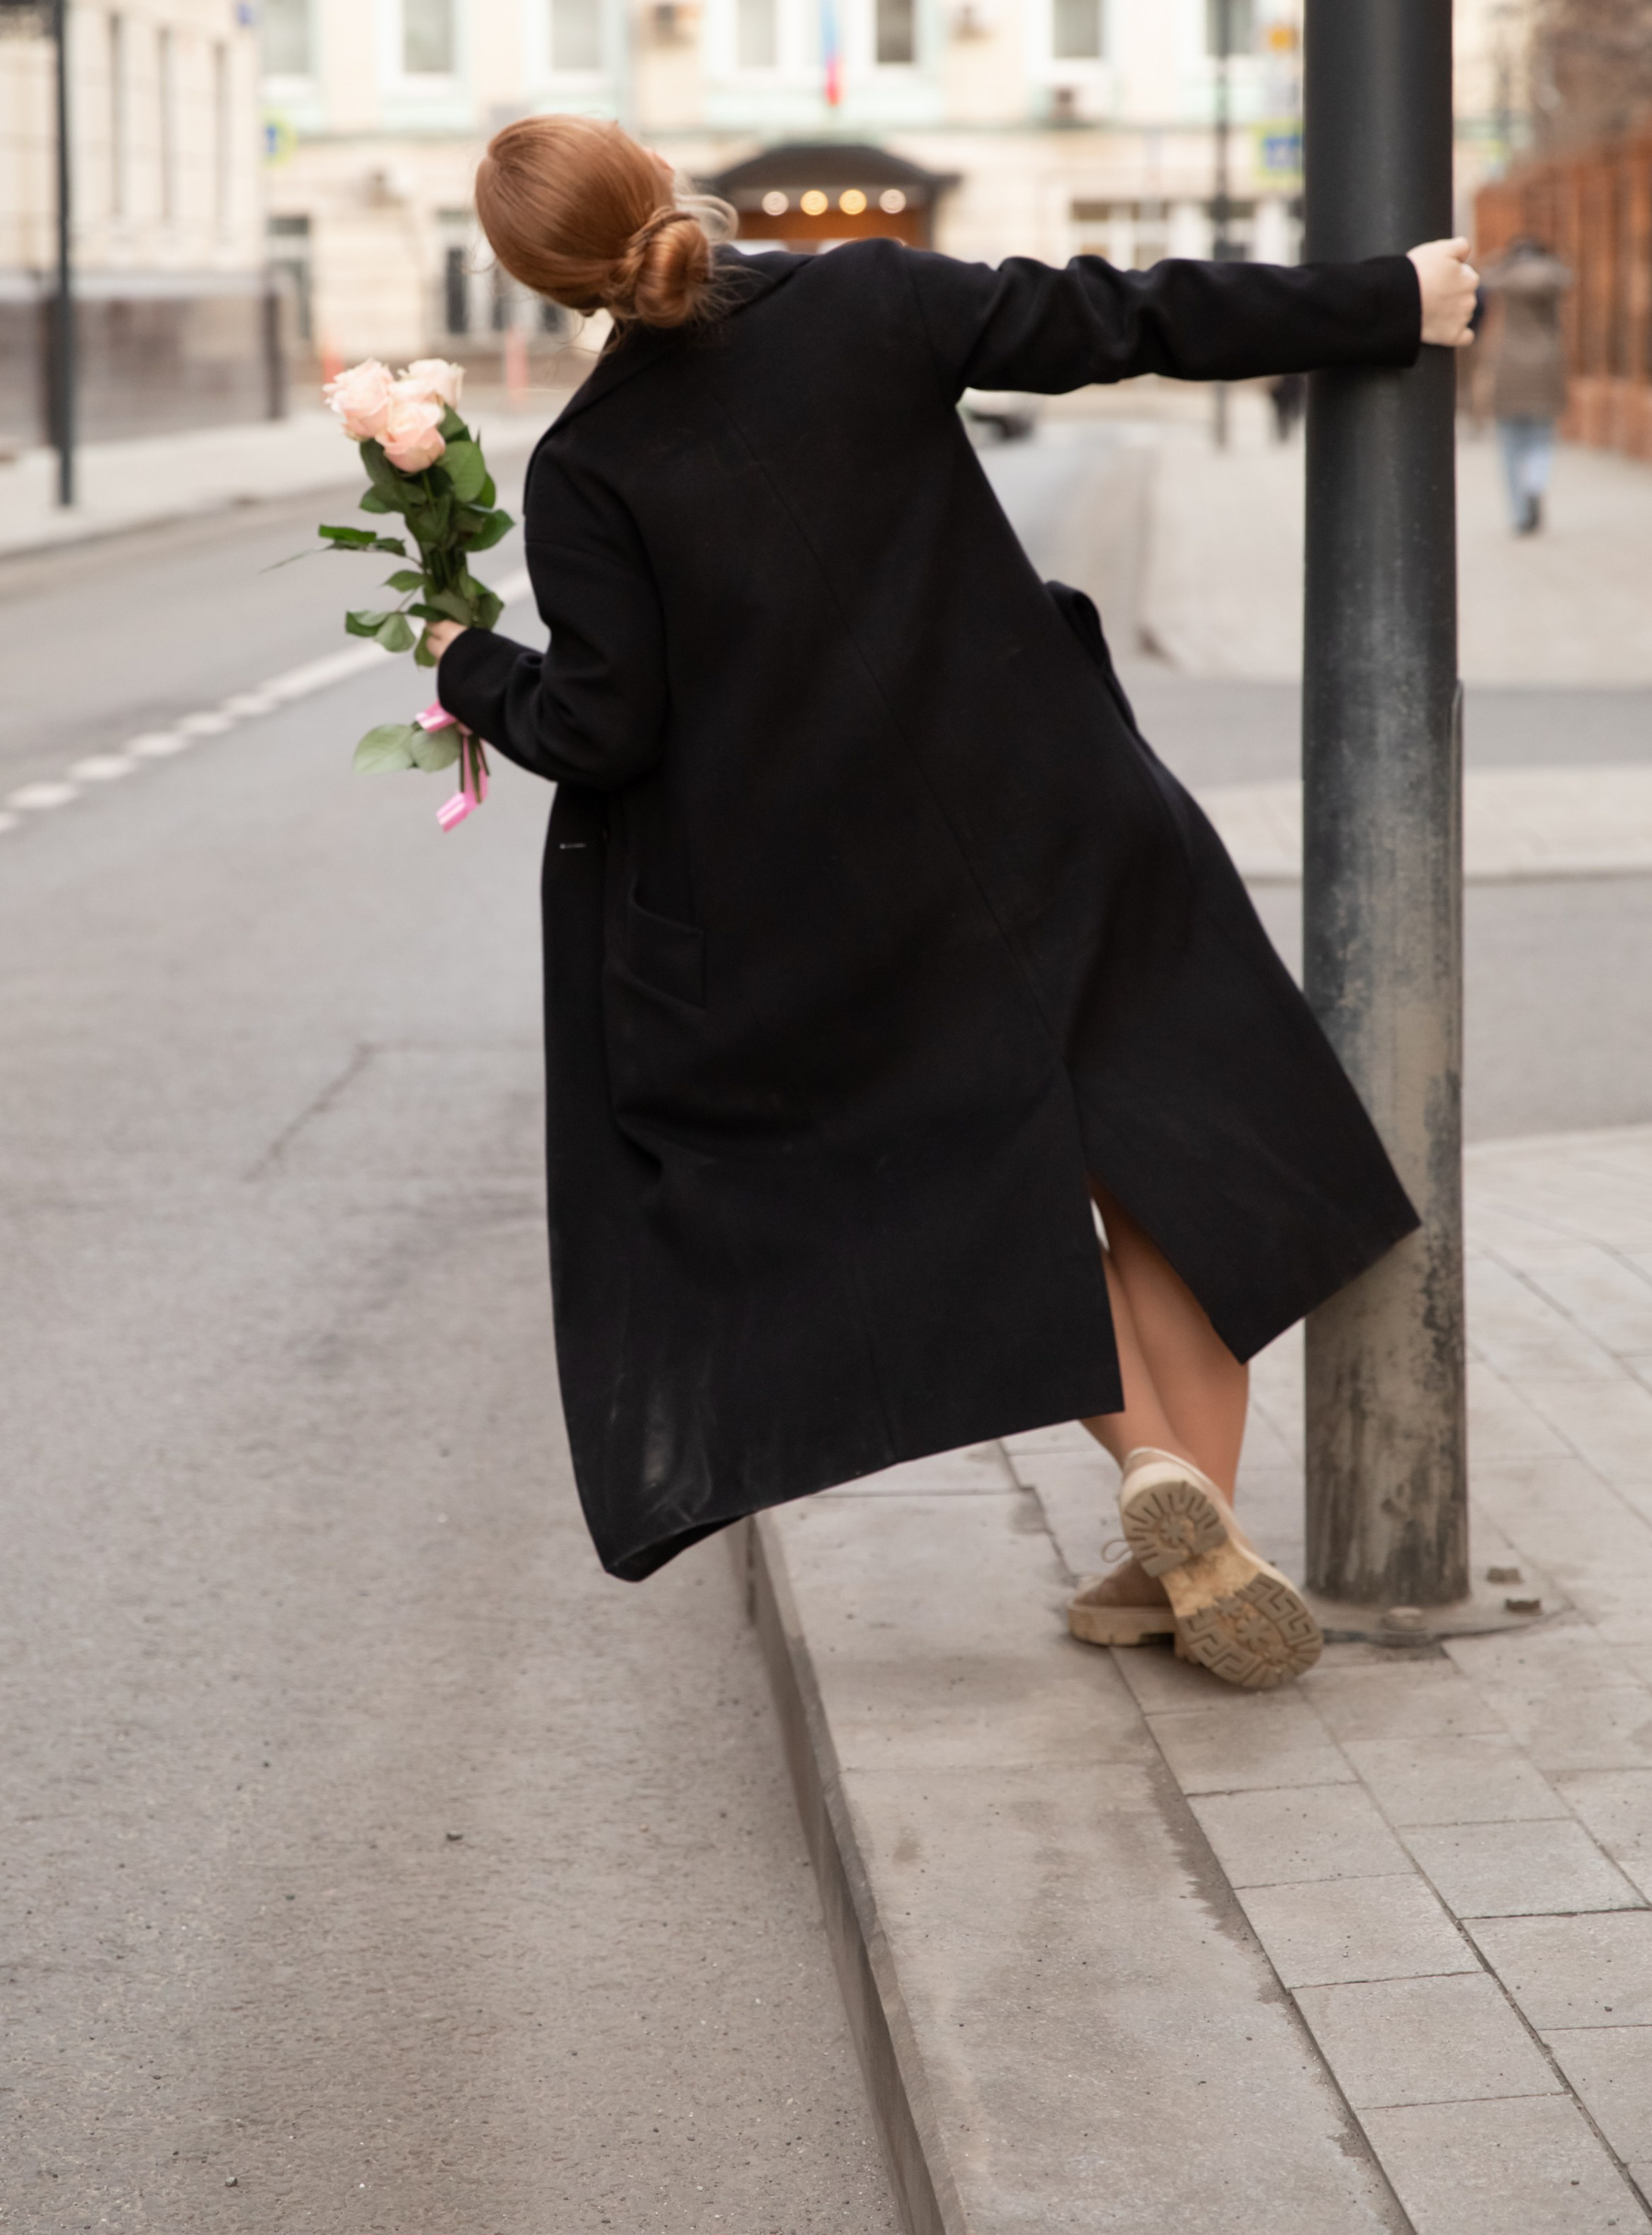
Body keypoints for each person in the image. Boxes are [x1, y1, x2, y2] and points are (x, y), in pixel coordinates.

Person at [426, 118, 1477, 1691]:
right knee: (1155, 1165)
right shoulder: (866, 299)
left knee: (984, 1197)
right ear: (658, 179)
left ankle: (1147, 1483)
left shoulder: (588, 468)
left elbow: (602, 728)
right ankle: (1183, 1544)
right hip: (1063, 812)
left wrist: (462, 658)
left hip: (845, 904)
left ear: (536, 284)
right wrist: (1387, 297)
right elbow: (1125, 316)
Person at [1479, 236, 1570, 535]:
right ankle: (1535, 484)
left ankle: (1519, 513)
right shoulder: (1553, 276)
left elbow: (1482, 277)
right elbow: (1567, 277)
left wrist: (1502, 260)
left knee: (1509, 447)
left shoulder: (1505, 277)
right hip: (1545, 363)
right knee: (1541, 438)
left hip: (1509, 367)